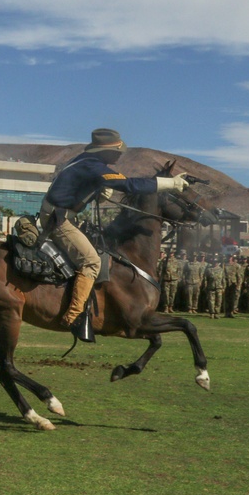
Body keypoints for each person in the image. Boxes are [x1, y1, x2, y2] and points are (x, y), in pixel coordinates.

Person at [37, 128, 188, 340]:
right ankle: (74, 316)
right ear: (104, 151)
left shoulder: (84, 161)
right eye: (117, 151)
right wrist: (169, 184)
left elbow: (76, 188)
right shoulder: (93, 166)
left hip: (62, 215)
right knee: (91, 262)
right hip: (60, 220)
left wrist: (94, 192)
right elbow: (129, 184)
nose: (120, 154)